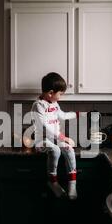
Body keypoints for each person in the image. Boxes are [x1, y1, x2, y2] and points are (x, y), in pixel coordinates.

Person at [31, 72, 79, 200]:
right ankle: (52, 181)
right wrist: (63, 137)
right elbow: (45, 127)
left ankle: (72, 184)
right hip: (41, 141)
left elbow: (62, 115)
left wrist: (77, 114)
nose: (61, 97)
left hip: (55, 139)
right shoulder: (38, 106)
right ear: (51, 93)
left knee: (69, 149)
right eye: (60, 94)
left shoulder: (54, 103)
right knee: (55, 149)